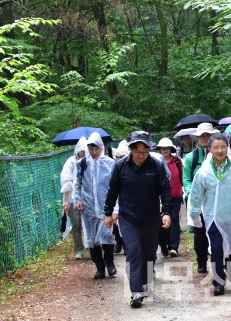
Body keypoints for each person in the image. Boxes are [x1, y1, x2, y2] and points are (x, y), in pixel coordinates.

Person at [104, 131, 172, 308]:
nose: (141, 155)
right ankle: (136, 292)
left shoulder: (156, 166)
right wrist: (108, 213)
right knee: (133, 251)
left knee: (149, 254)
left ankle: (144, 282)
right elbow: (113, 191)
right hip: (128, 218)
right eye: (137, 152)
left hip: (150, 217)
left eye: (145, 151)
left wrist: (167, 212)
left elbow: (165, 189)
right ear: (130, 149)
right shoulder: (120, 167)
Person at [187, 133, 231, 296]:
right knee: (217, 248)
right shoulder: (204, 171)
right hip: (213, 218)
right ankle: (218, 282)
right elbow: (196, 194)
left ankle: (230, 267)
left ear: (227, 148)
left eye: (223, 147)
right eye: (216, 147)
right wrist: (194, 214)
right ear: (209, 149)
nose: (220, 150)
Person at [73, 132, 118, 279]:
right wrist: (78, 199)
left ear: (102, 148)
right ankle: (99, 267)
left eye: (96, 149)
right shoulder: (82, 164)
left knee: (106, 236)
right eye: (91, 149)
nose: (94, 152)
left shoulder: (110, 163)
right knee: (92, 239)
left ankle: (110, 264)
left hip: (105, 206)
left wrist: (115, 208)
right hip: (88, 207)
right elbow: (77, 184)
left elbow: (116, 186)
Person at [182, 122, 219, 273]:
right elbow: (186, 179)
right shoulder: (191, 157)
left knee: (218, 232)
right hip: (198, 202)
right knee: (199, 233)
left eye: (208, 135)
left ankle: (219, 263)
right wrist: (192, 194)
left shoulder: (219, 156)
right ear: (197, 138)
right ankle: (201, 262)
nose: (205, 138)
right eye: (202, 135)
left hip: (215, 201)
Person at [60, 136, 87, 259]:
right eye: (82, 152)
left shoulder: (91, 162)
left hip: (88, 198)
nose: (84, 154)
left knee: (89, 224)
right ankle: (79, 249)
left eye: (85, 151)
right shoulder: (71, 162)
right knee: (76, 224)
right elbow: (68, 182)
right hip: (73, 198)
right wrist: (66, 200)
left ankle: (92, 247)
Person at [156, 137, 184, 258]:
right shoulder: (156, 162)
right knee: (161, 223)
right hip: (161, 198)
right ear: (159, 150)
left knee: (174, 219)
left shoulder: (177, 161)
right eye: (163, 148)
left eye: (167, 148)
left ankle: (174, 247)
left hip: (176, 196)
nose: (165, 150)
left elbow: (182, 177)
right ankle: (164, 244)